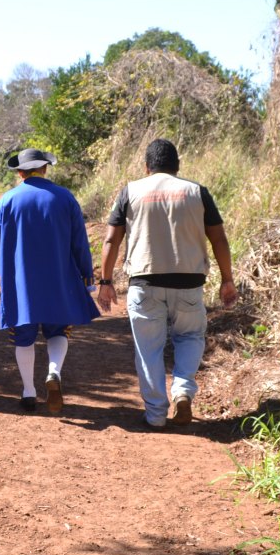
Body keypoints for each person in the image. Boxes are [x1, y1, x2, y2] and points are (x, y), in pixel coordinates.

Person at [96, 138, 237, 429]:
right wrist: (227, 279)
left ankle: (156, 414)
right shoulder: (197, 192)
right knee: (190, 337)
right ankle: (183, 390)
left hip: (145, 282)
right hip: (189, 283)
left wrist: (105, 280)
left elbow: (111, 239)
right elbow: (219, 238)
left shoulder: (130, 191)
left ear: (147, 167)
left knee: (149, 348)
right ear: (177, 166)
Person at [0, 149, 100, 413]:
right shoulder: (65, 198)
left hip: (20, 283)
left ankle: (29, 391)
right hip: (60, 278)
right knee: (58, 330)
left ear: (20, 173)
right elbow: (80, 242)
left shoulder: (8, 200)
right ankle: (53, 372)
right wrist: (87, 277)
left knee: (24, 335)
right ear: (45, 169)